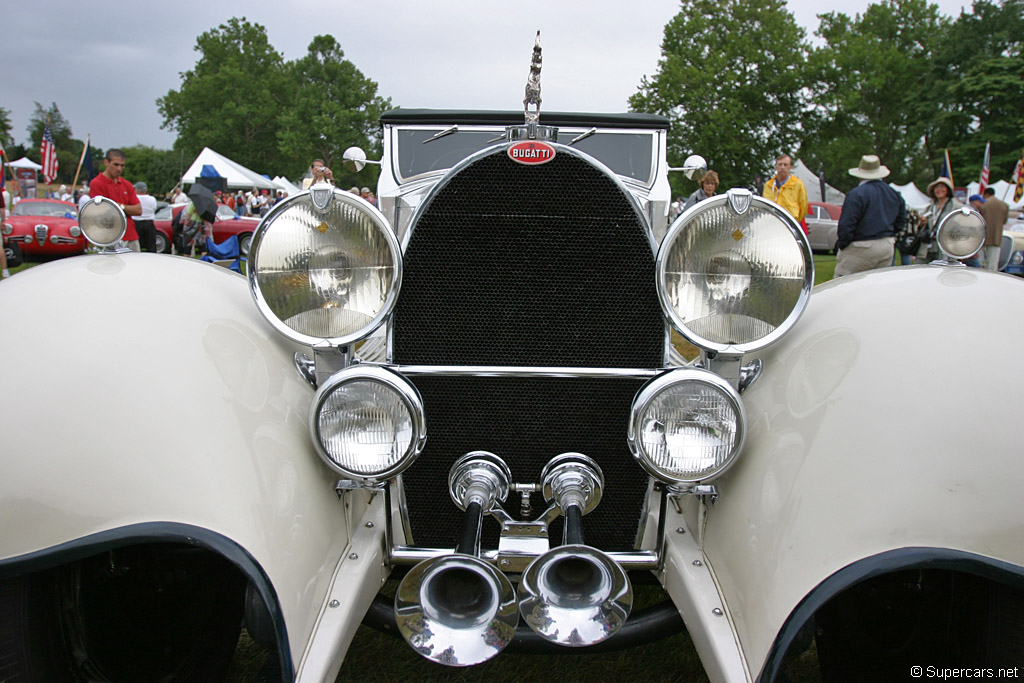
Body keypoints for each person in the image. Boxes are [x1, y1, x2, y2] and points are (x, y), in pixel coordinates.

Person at [835, 155, 906, 277]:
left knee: (844, 285)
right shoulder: (894, 194)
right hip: (886, 245)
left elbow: (847, 225)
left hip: (861, 246)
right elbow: (901, 222)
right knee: (877, 286)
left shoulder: (856, 194)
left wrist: (843, 244)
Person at [88, 149, 142, 251]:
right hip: (110, 237)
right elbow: (102, 211)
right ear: (106, 162)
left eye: (122, 166)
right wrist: (125, 208)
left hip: (130, 235)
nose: (119, 168)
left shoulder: (127, 184)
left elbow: (138, 210)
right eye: (116, 164)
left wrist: (118, 206)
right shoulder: (97, 183)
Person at [916, 177, 962, 264]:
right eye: (936, 187)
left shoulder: (956, 207)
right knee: (922, 269)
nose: (939, 190)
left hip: (946, 245)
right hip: (928, 245)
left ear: (948, 189)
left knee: (943, 270)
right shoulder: (930, 207)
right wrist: (922, 223)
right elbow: (921, 226)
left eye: (942, 187)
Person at [762, 154, 808, 231]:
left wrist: (795, 220)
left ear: (790, 167)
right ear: (776, 167)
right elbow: (765, 206)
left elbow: (803, 207)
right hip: (772, 224)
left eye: (785, 165)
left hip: (791, 224)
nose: (782, 167)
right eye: (780, 164)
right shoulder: (769, 185)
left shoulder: (798, 184)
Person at [979, 186, 1009, 271]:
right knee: (993, 264)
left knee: (980, 264)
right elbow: (1004, 221)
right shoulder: (1004, 205)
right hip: (996, 237)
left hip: (982, 237)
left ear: (986, 194)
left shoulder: (983, 204)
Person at [133, 181, 158, 253]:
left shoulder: (135, 198)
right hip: (149, 223)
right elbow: (154, 208)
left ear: (137, 189)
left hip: (137, 223)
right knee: (151, 245)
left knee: (138, 245)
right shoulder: (152, 199)